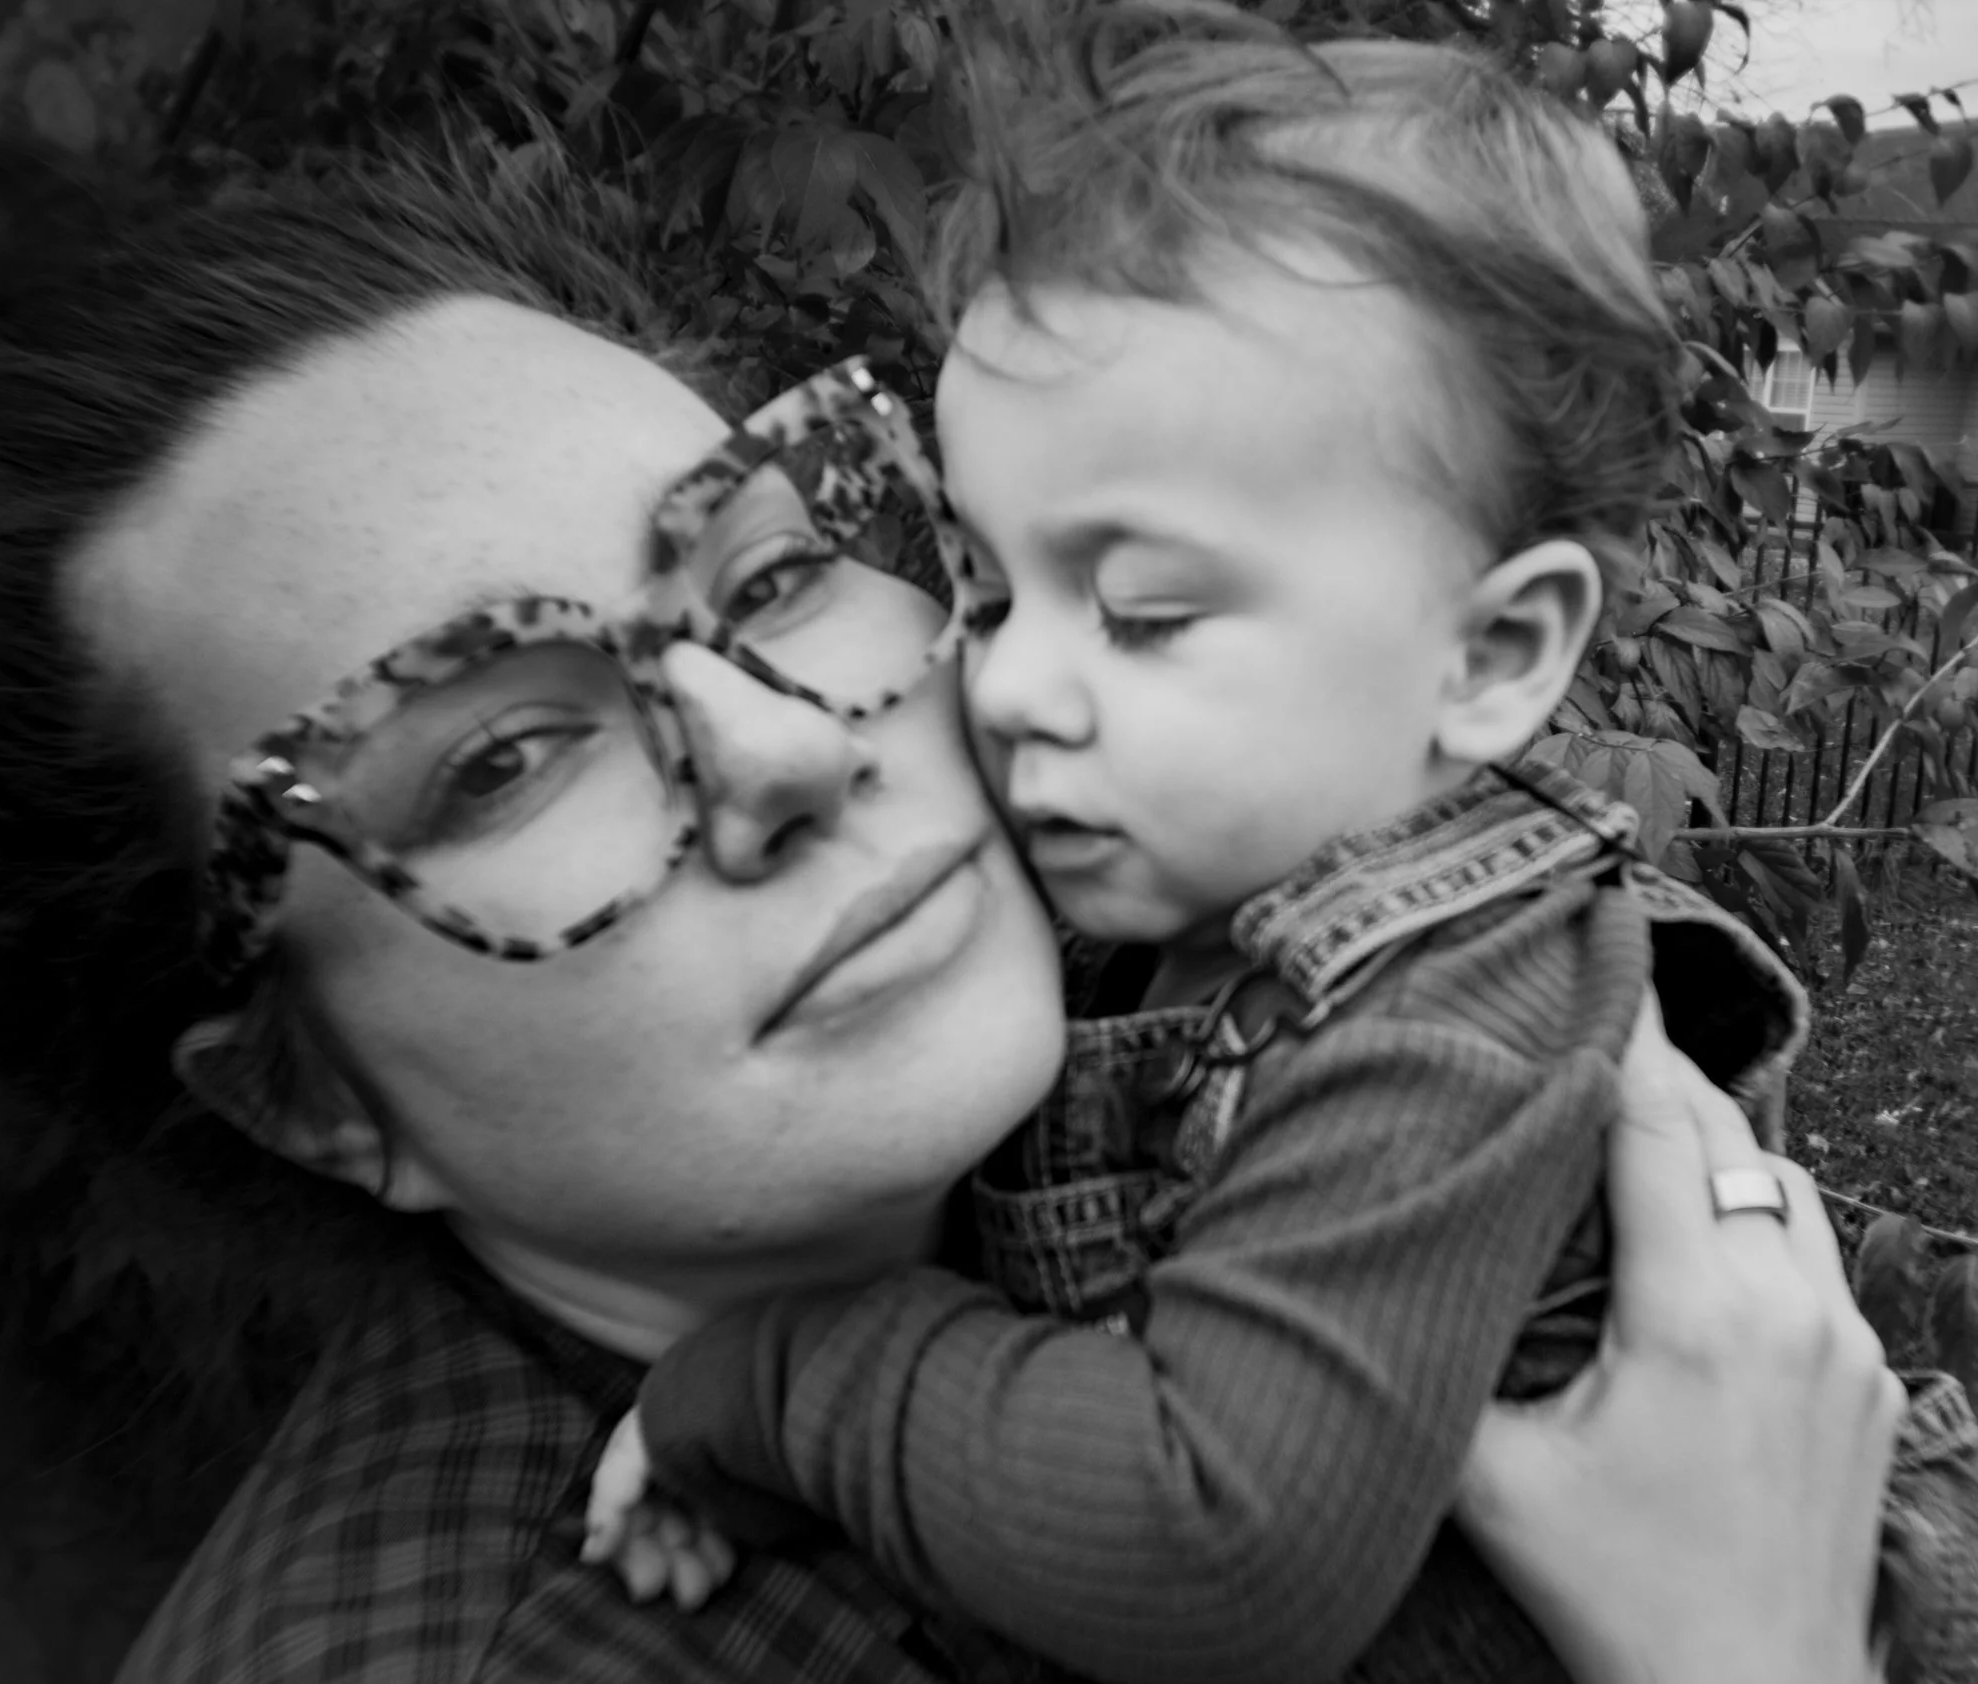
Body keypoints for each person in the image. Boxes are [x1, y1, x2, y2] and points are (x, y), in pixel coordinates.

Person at [0, 156, 1906, 1684]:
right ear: (309, 1099)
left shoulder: (1218, 963)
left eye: (771, 571)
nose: (782, 749)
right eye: (494, 766)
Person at [594, 13, 1978, 1684]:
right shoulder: (1176, 876)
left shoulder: (1447, 1010)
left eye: (1148, 611)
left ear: (1487, 661)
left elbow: (1214, 1548)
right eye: (988, 579)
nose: (1013, 682)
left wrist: (772, 1381)